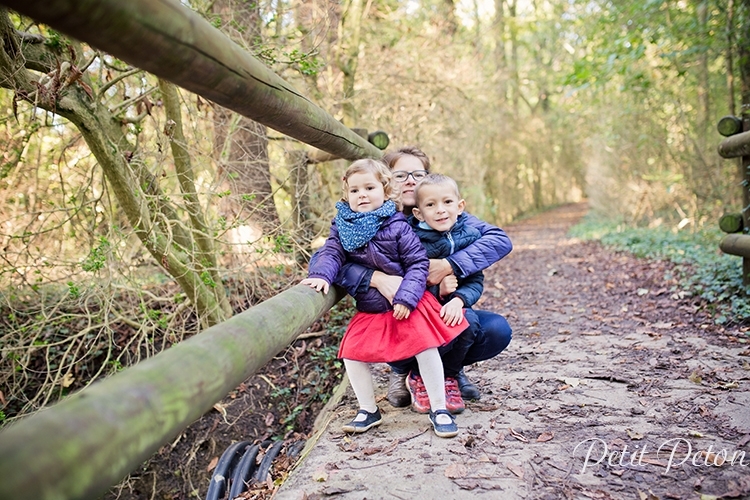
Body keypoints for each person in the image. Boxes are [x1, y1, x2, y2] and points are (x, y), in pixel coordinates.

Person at [332, 146, 513, 409]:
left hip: (444, 307)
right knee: (403, 320)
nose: (410, 181)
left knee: (494, 329)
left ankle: (449, 371)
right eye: (401, 174)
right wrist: (375, 278)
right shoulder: (366, 217)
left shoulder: (440, 209)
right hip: (400, 311)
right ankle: (403, 371)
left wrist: (449, 265)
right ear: (385, 181)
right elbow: (330, 259)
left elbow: (499, 240)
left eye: (418, 173)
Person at [301, 158, 467, 438]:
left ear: (386, 190)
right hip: (372, 306)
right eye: (354, 191)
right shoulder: (342, 226)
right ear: (346, 195)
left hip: (408, 302)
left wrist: (406, 297)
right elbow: (331, 253)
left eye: (369, 187)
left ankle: (439, 408)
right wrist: (321, 275)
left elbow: (417, 264)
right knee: (351, 353)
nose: (361, 194)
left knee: (425, 348)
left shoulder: (397, 225)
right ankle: (368, 409)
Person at [407, 173, 485, 415]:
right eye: (431, 205)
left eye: (447, 202)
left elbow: (475, 280)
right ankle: (419, 376)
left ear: (460, 206)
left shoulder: (470, 236)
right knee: (425, 331)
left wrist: (459, 299)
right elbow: (406, 281)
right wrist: (436, 290)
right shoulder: (411, 240)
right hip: (420, 311)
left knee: (469, 321)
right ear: (418, 213)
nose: (441, 210)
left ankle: (449, 376)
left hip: (452, 306)